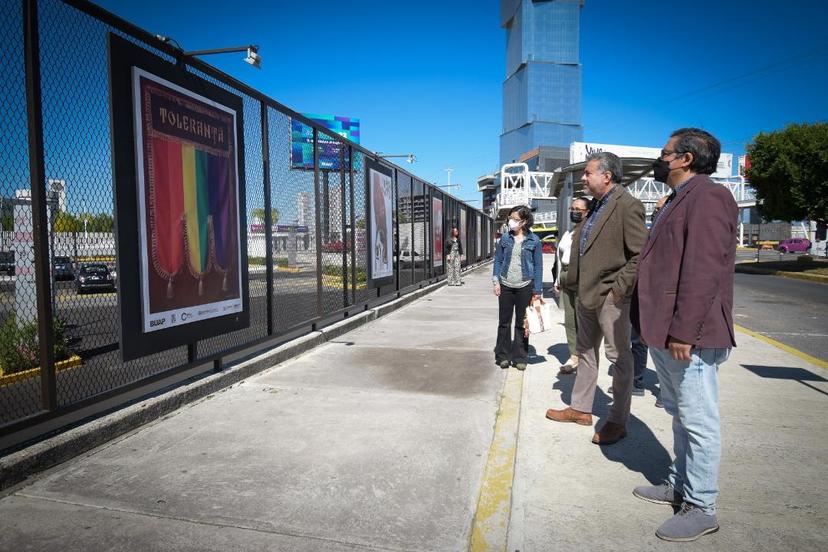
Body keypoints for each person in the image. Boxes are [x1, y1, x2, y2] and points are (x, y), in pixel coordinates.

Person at [631, 128, 737, 542]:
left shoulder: (710, 197)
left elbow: (703, 271)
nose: (660, 159)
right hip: (666, 329)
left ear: (684, 159)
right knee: (681, 415)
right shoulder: (678, 199)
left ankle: (702, 505)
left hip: (688, 334)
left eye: (664, 153)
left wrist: (684, 331)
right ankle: (679, 484)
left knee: (699, 420)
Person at [545, 152, 647, 446]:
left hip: (611, 297)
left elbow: (639, 254)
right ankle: (580, 409)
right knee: (585, 352)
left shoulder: (628, 206)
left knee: (619, 358)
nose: (583, 178)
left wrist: (618, 290)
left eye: (588, 173)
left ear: (607, 175)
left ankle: (618, 419)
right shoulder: (598, 207)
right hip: (586, 293)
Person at [492, 205, 543, 371]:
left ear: (524, 221)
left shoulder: (534, 241)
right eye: (510, 218)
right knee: (504, 322)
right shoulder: (504, 239)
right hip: (506, 285)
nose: (511, 222)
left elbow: (538, 267)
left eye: (515, 219)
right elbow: (498, 260)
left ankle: (520, 356)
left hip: (525, 286)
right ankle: (502, 356)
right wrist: (496, 281)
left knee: (522, 324)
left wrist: (537, 291)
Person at [553, 197, 590, 374]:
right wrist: (557, 280)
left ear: (587, 212)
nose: (574, 212)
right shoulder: (569, 232)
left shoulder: (588, 231)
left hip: (581, 276)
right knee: (569, 319)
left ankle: (583, 356)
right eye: (572, 208)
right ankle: (574, 354)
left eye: (578, 209)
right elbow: (560, 258)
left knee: (581, 318)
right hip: (566, 276)